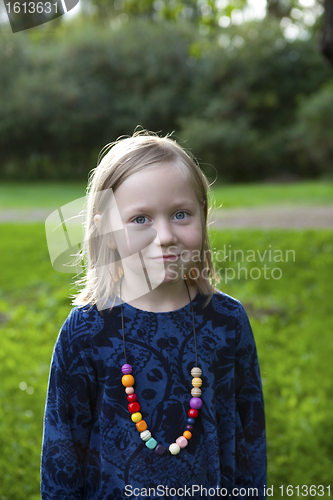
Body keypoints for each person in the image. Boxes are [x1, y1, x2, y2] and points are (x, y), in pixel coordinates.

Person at [41, 131, 266, 499]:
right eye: (141, 219)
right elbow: (61, 456)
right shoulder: (86, 331)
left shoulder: (228, 322)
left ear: (203, 216)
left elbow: (250, 441)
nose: (164, 236)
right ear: (107, 231)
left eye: (181, 214)